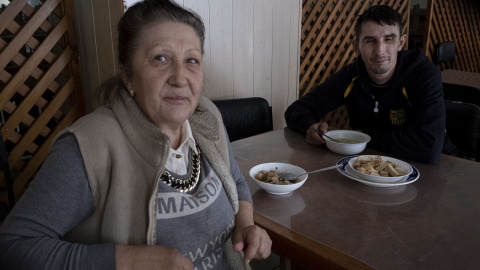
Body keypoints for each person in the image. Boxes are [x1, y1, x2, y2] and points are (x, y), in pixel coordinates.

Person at [0, 0, 271, 269]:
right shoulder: (89, 145)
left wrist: (245, 225)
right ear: (128, 75)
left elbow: (235, 181)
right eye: (160, 58)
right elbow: (13, 245)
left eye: (191, 60)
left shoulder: (206, 116)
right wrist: (128, 259)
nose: (180, 77)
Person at [285, 5, 456, 164]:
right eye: (370, 40)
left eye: (388, 39)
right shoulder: (350, 76)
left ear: (401, 43)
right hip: (368, 167)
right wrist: (310, 127)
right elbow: (295, 110)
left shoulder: (423, 74)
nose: (380, 50)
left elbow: (428, 147)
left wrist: (363, 138)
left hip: (436, 168)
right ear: (356, 46)